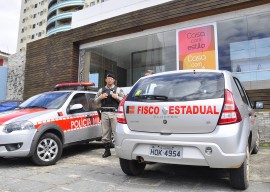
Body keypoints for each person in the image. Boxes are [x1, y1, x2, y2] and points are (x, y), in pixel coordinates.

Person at [94, 73, 125, 158]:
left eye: (111, 78)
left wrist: (117, 97)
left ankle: (119, 151)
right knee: (105, 132)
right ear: (105, 80)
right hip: (104, 112)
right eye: (108, 78)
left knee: (116, 132)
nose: (110, 80)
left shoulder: (118, 90)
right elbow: (95, 101)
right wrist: (101, 97)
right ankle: (107, 151)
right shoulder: (101, 90)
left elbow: (124, 100)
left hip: (114, 113)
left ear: (114, 80)